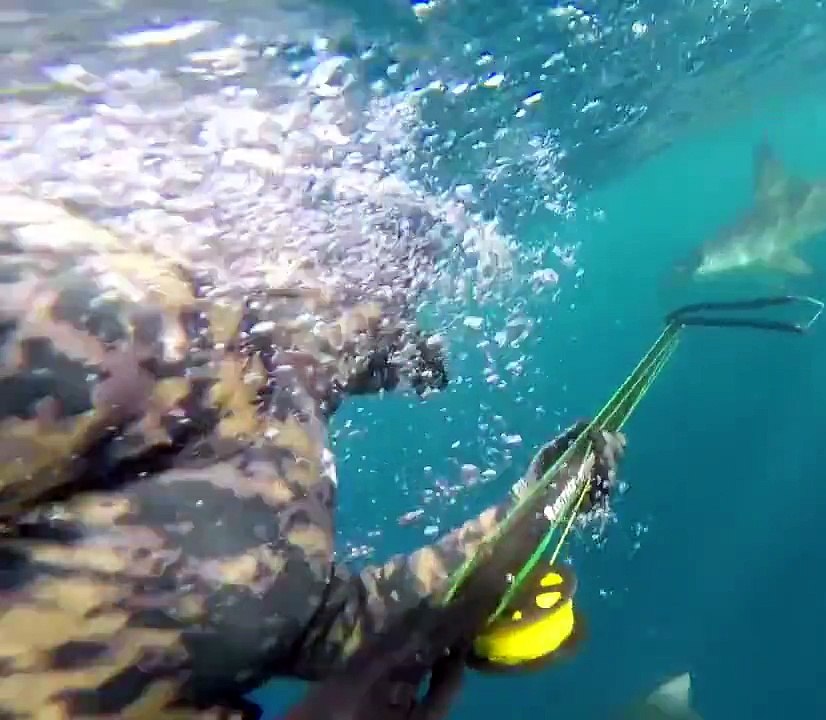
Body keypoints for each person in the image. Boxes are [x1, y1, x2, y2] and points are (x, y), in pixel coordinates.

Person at [0, 188, 626, 719]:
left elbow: (332, 625)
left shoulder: (172, 350)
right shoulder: (135, 327)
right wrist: (533, 512)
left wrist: (530, 513)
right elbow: (327, 624)